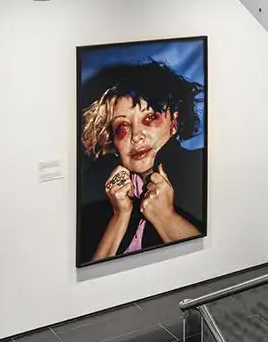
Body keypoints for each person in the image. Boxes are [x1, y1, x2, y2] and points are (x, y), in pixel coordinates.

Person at [77, 60, 206, 264]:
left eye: (150, 118)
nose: (136, 136)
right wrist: (120, 215)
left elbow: (213, 265)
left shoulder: (200, 168)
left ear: (173, 122)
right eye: (123, 126)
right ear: (113, 139)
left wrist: (166, 217)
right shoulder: (97, 196)